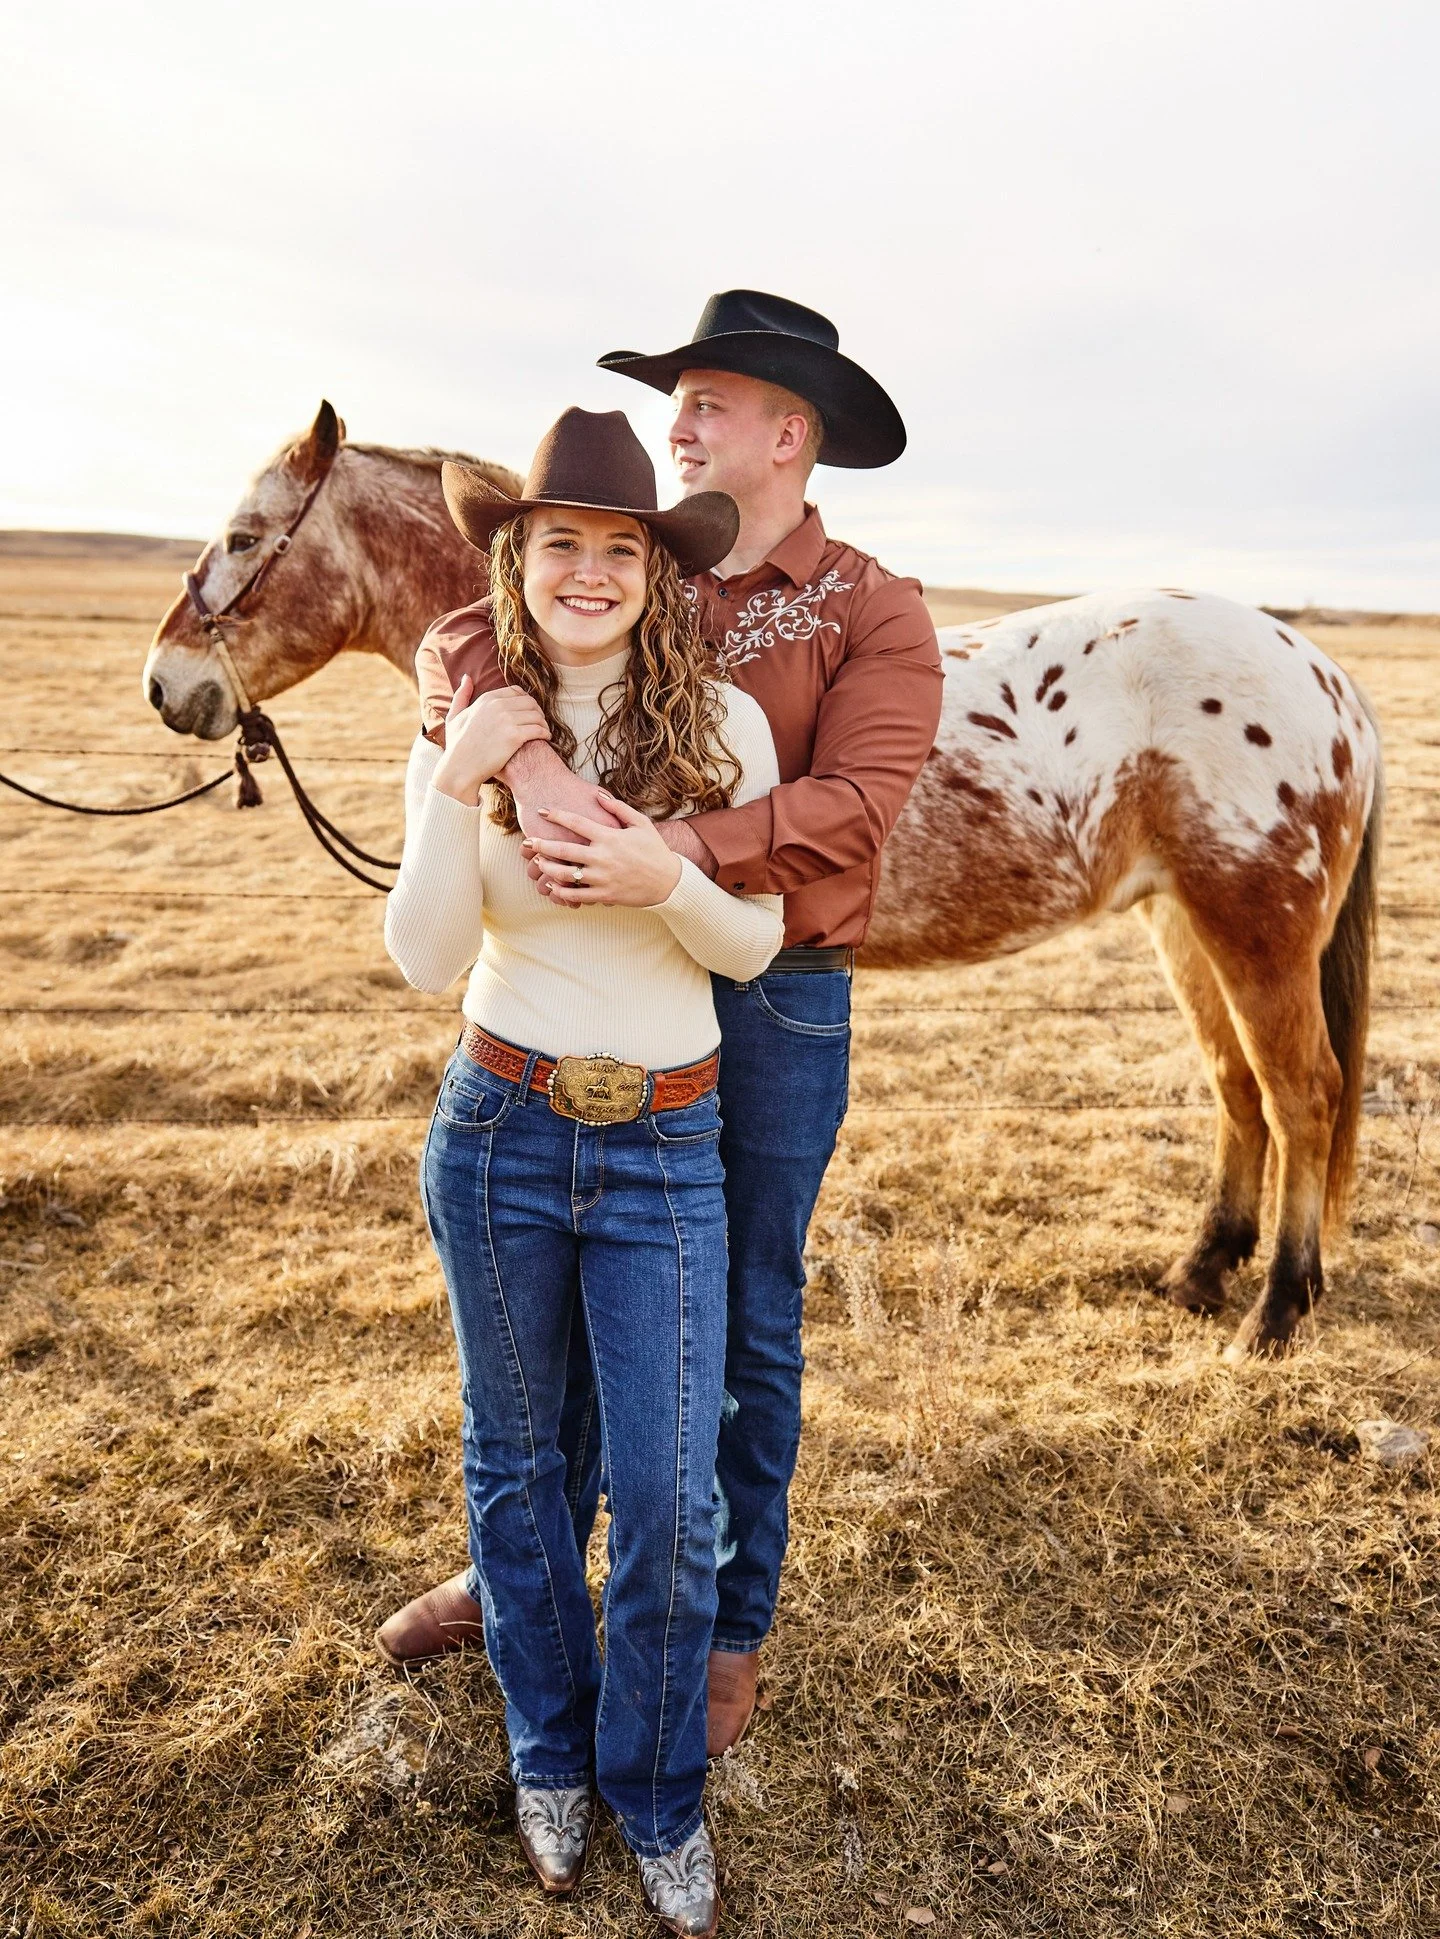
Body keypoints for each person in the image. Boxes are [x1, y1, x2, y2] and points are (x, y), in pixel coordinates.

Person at [380, 290, 944, 1757]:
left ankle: (725, 1622)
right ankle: (535, 1582)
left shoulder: (875, 606)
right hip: (603, 983)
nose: (676, 423)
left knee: (743, 1321)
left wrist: (670, 851)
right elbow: (467, 630)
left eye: (703, 401)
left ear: (787, 431)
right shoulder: (648, 569)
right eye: (675, 400)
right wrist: (521, 752)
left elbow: (857, 810)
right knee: (568, 1307)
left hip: (776, 995)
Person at [385, 405, 783, 1937]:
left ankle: (656, 1786)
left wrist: (663, 873)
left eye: (623, 548)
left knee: (675, 1502)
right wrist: (449, 778)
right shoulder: (462, 716)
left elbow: (754, 947)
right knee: (517, 1472)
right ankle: (550, 1750)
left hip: (669, 1141)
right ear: (517, 559)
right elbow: (424, 960)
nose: (593, 572)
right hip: (500, 1125)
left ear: (657, 569)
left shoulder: (723, 726)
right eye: (562, 544)